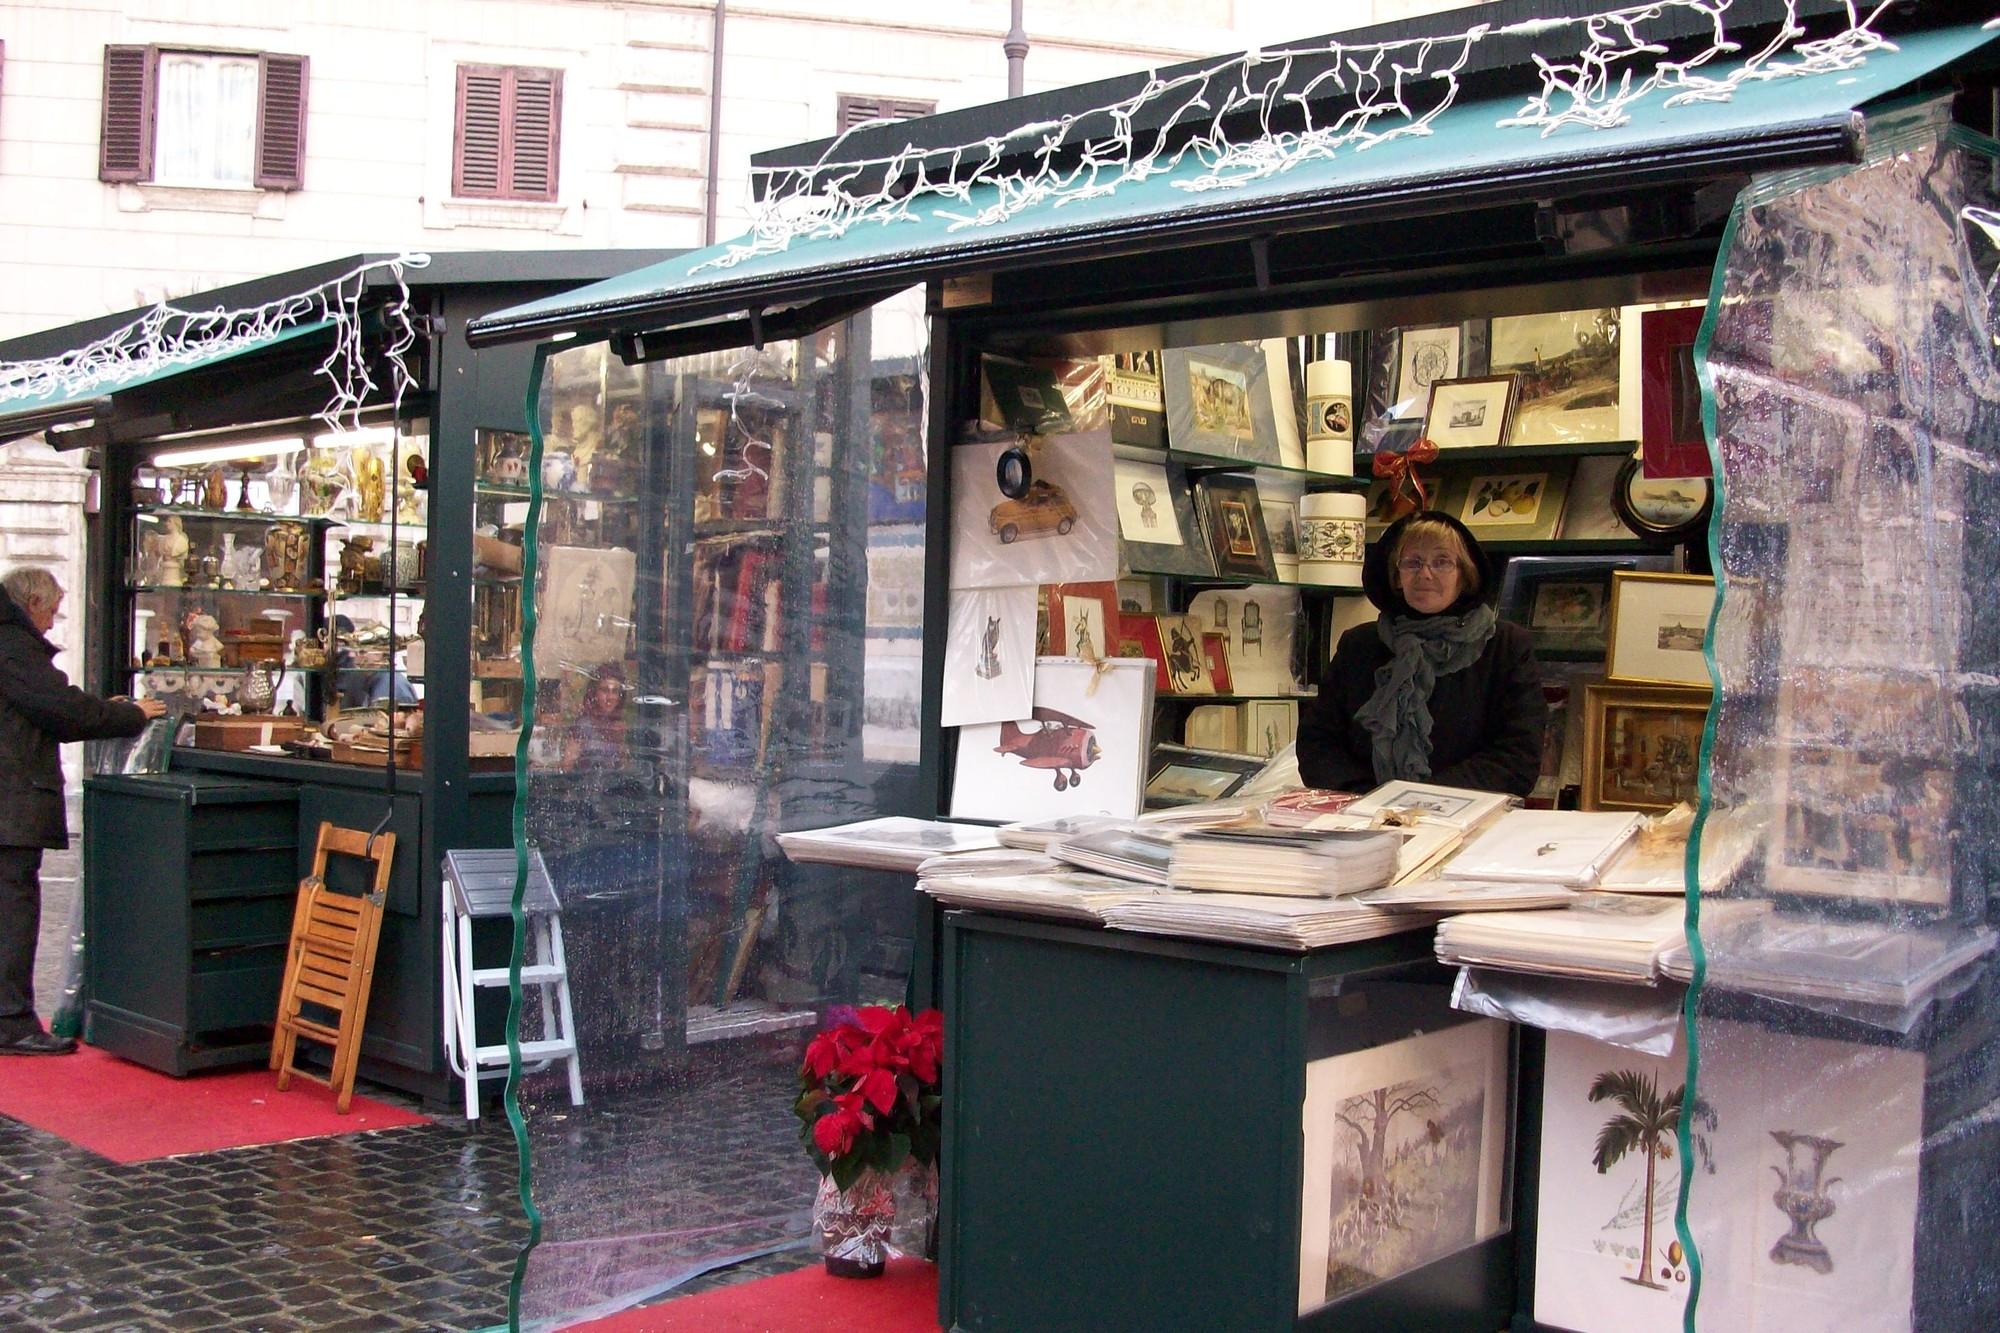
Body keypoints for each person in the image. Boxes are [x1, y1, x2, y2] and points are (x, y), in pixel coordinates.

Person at [0, 567, 165, 1055]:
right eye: (51, 610)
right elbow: (61, 709)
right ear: (31, 603)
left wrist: (104, 708)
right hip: (11, 800)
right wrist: (131, 715)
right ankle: (11, 1022)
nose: (53, 622)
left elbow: (56, 705)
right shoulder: (14, 647)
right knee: (13, 911)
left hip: (10, 798)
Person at [1297, 510, 1544, 796]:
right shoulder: (1359, 645)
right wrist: (1371, 798)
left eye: (1442, 562)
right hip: (1364, 813)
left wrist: (1423, 799)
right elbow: (1318, 742)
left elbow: (1518, 756)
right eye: (1413, 563)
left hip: (1468, 815)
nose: (1425, 574)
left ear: (1465, 575)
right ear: (1396, 576)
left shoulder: (1506, 646)